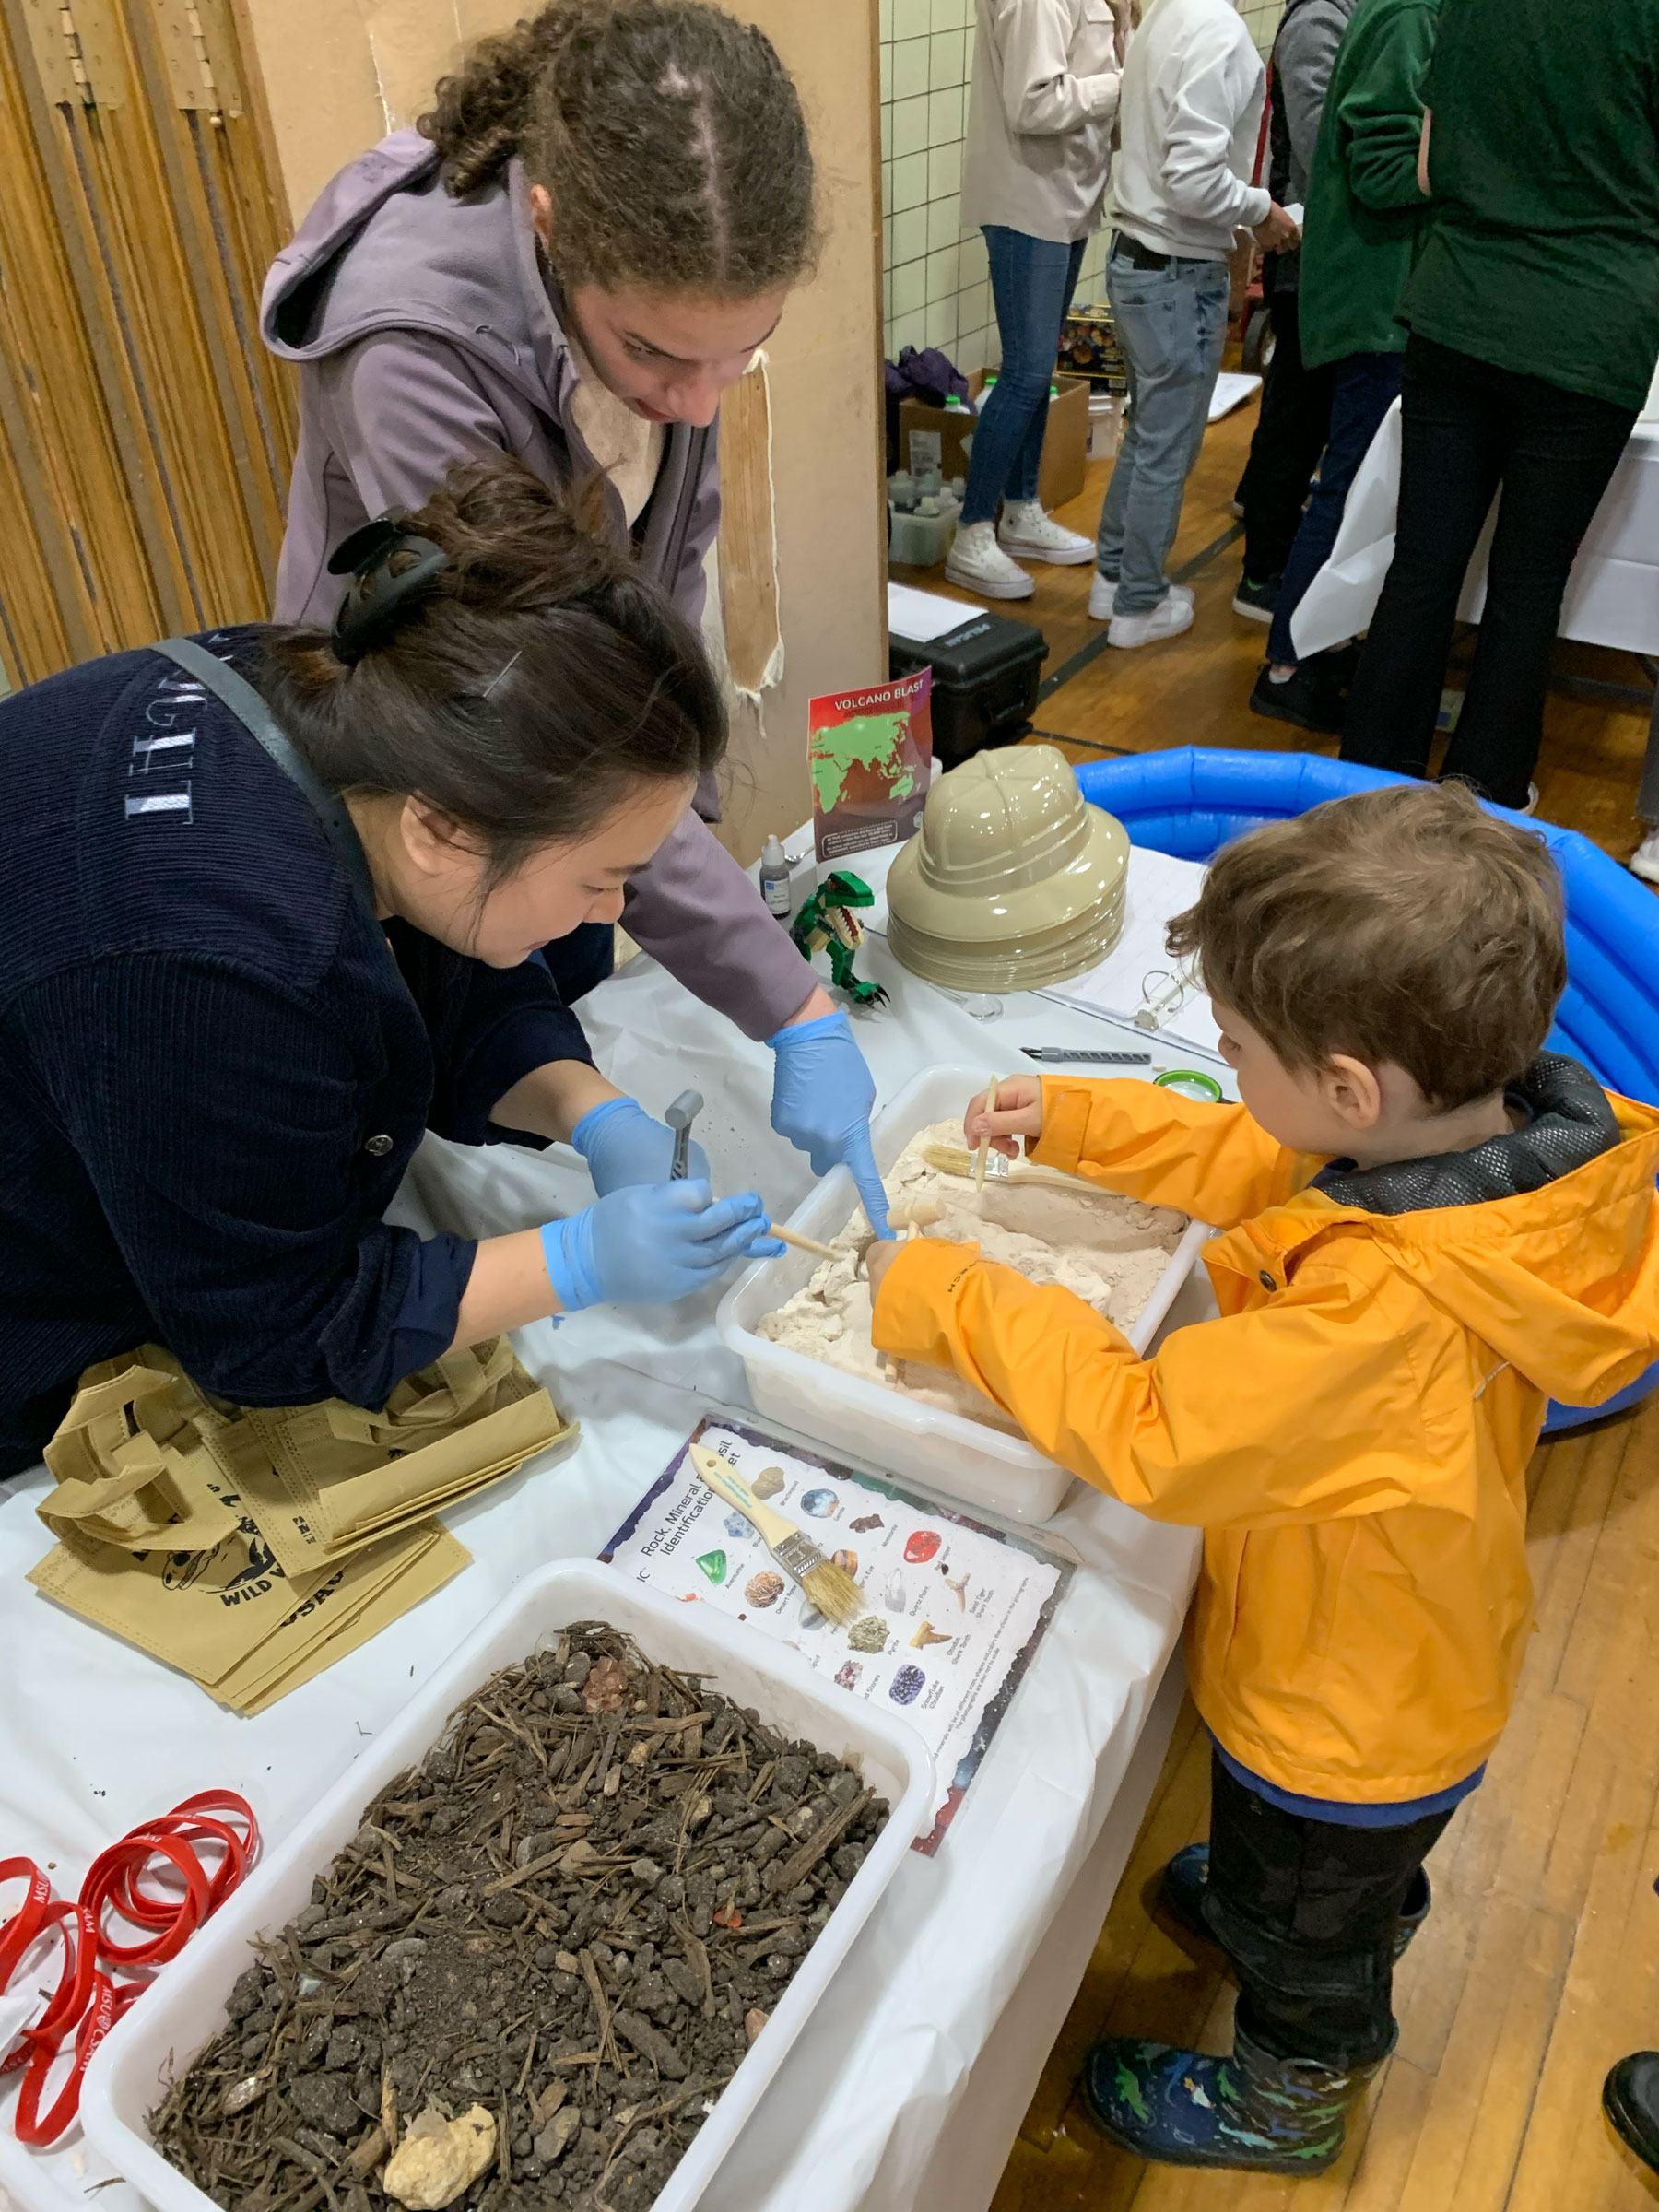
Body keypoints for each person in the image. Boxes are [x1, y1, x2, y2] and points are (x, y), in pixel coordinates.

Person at [865, 782, 1659, 2174]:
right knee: (1315, 1878)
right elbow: (1262, 1152)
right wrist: (1083, 1120)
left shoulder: (1387, 1311)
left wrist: (950, 1297)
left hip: (1339, 1712)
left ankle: (1291, 2092)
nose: (1225, 1069)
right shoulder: (1497, 1145)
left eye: (1232, 1045)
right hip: (1409, 1644)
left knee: (1315, 1931)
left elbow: (1149, 1430)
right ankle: (1291, 1904)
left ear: (1352, 1085)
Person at [0, 458, 788, 1480]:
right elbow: (276, 1328)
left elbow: (452, 954)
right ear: (443, 830)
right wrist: (575, 1261)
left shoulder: (354, 710)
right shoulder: (222, 971)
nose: (614, 910)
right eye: (604, 875)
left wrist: (592, 1110)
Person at [261, 0, 889, 1230]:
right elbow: (550, 714)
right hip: (438, 764)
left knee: (560, 1032)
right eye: (656, 355)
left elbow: (663, 608)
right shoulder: (415, 347)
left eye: (741, 355)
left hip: (557, 771)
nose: (697, 404)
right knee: (433, 1124)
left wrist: (670, 818)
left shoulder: (667, 346)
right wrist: (785, 1001)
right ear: (550, 224)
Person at [1339, 0, 1659, 811]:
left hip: (1460, 303)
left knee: (1422, 566)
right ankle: (1480, 810)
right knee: (1526, 586)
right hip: (1592, 321)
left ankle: (1366, 796)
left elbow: (1431, 154)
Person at [1247, 0, 1438, 734]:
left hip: (1382, 291)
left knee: (1358, 483)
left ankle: (1315, 644)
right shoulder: (1398, 18)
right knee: (1350, 484)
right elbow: (1373, 165)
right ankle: (1290, 661)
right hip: (1374, 298)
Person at [1089, 0, 1300, 649]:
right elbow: (1193, 177)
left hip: (1137, 258)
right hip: (1177, 268)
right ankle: (1138, 605)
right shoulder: (1220, 32)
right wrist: (1263, 211)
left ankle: (1114, 576)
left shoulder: (1166, 13)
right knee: (1167, 444)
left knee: (1149, 432)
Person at [943, 0, 1131, 602]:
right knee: (1024, 374)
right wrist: (1125, 88)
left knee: (1039, 368)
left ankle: (1021, 510)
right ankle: (973, 532)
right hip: (1029, 204)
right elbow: (1034, 102)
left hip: (1065, 198)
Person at [1231, 0, 1357, 626]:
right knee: (1297, 419)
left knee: (1299, 415)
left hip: (1334, 260)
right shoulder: (1318, 24)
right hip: (1310, 262)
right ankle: (1263, 572)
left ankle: (1268, 524)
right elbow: (1322, 152)